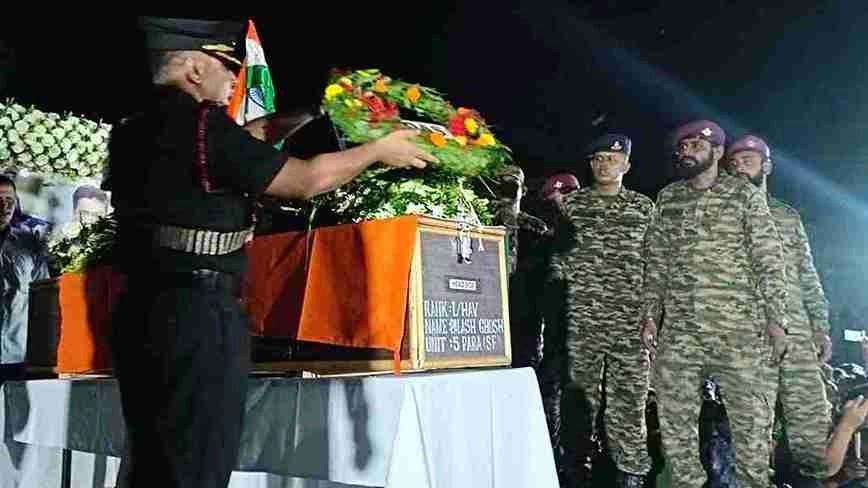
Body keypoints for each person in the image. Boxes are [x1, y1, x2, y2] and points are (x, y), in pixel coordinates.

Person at [106, 17, 435, 488]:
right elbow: (305, 180)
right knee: (196, 460)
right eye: (227, 66)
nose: (234, 78)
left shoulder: (135, 128)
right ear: (195, 69)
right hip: (197, 314)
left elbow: (248, 139)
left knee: (152, 456)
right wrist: (378, 151)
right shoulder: (202, 125)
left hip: (141, 308)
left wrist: (315, 111)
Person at [640, 120, 789, 488]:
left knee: (752, 430)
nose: (686, 151)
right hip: (681, 333)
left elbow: (769, 259)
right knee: (676, 430)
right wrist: (650, 316)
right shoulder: (668, 198)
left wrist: (777, 320)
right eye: (683, 146)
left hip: (738, 331)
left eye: (696, 145)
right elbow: (656, 262)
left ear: (718, 152)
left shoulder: (743, 195)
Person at [544, 134, 654, 488]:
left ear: (627, 165)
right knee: (578, 406)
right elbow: (558, 262)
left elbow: (656, 265)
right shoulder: (571, 205)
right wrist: (558, 318)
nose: (603, 164)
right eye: (597, 159)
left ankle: (630, 476)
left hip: (630, 325)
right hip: (581, 325)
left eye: (612, 158)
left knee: (629, 408)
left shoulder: (643, 208)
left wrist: (653, 316)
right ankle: (576, 473)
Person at [726, 135, 833, 486]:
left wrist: (820, 325)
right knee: (753, 426)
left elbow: (807, 272)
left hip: (798, 333)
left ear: (767, 166)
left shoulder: (787, 216)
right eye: (734, 163)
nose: (740, 167)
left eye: (748, 161)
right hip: (750, 334)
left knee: (810, 422)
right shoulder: (722, 216)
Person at [0, 174, 49, 383]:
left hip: (18, 352)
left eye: (9, 200)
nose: (4, 207)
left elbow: (42, 293)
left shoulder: (29, 243)